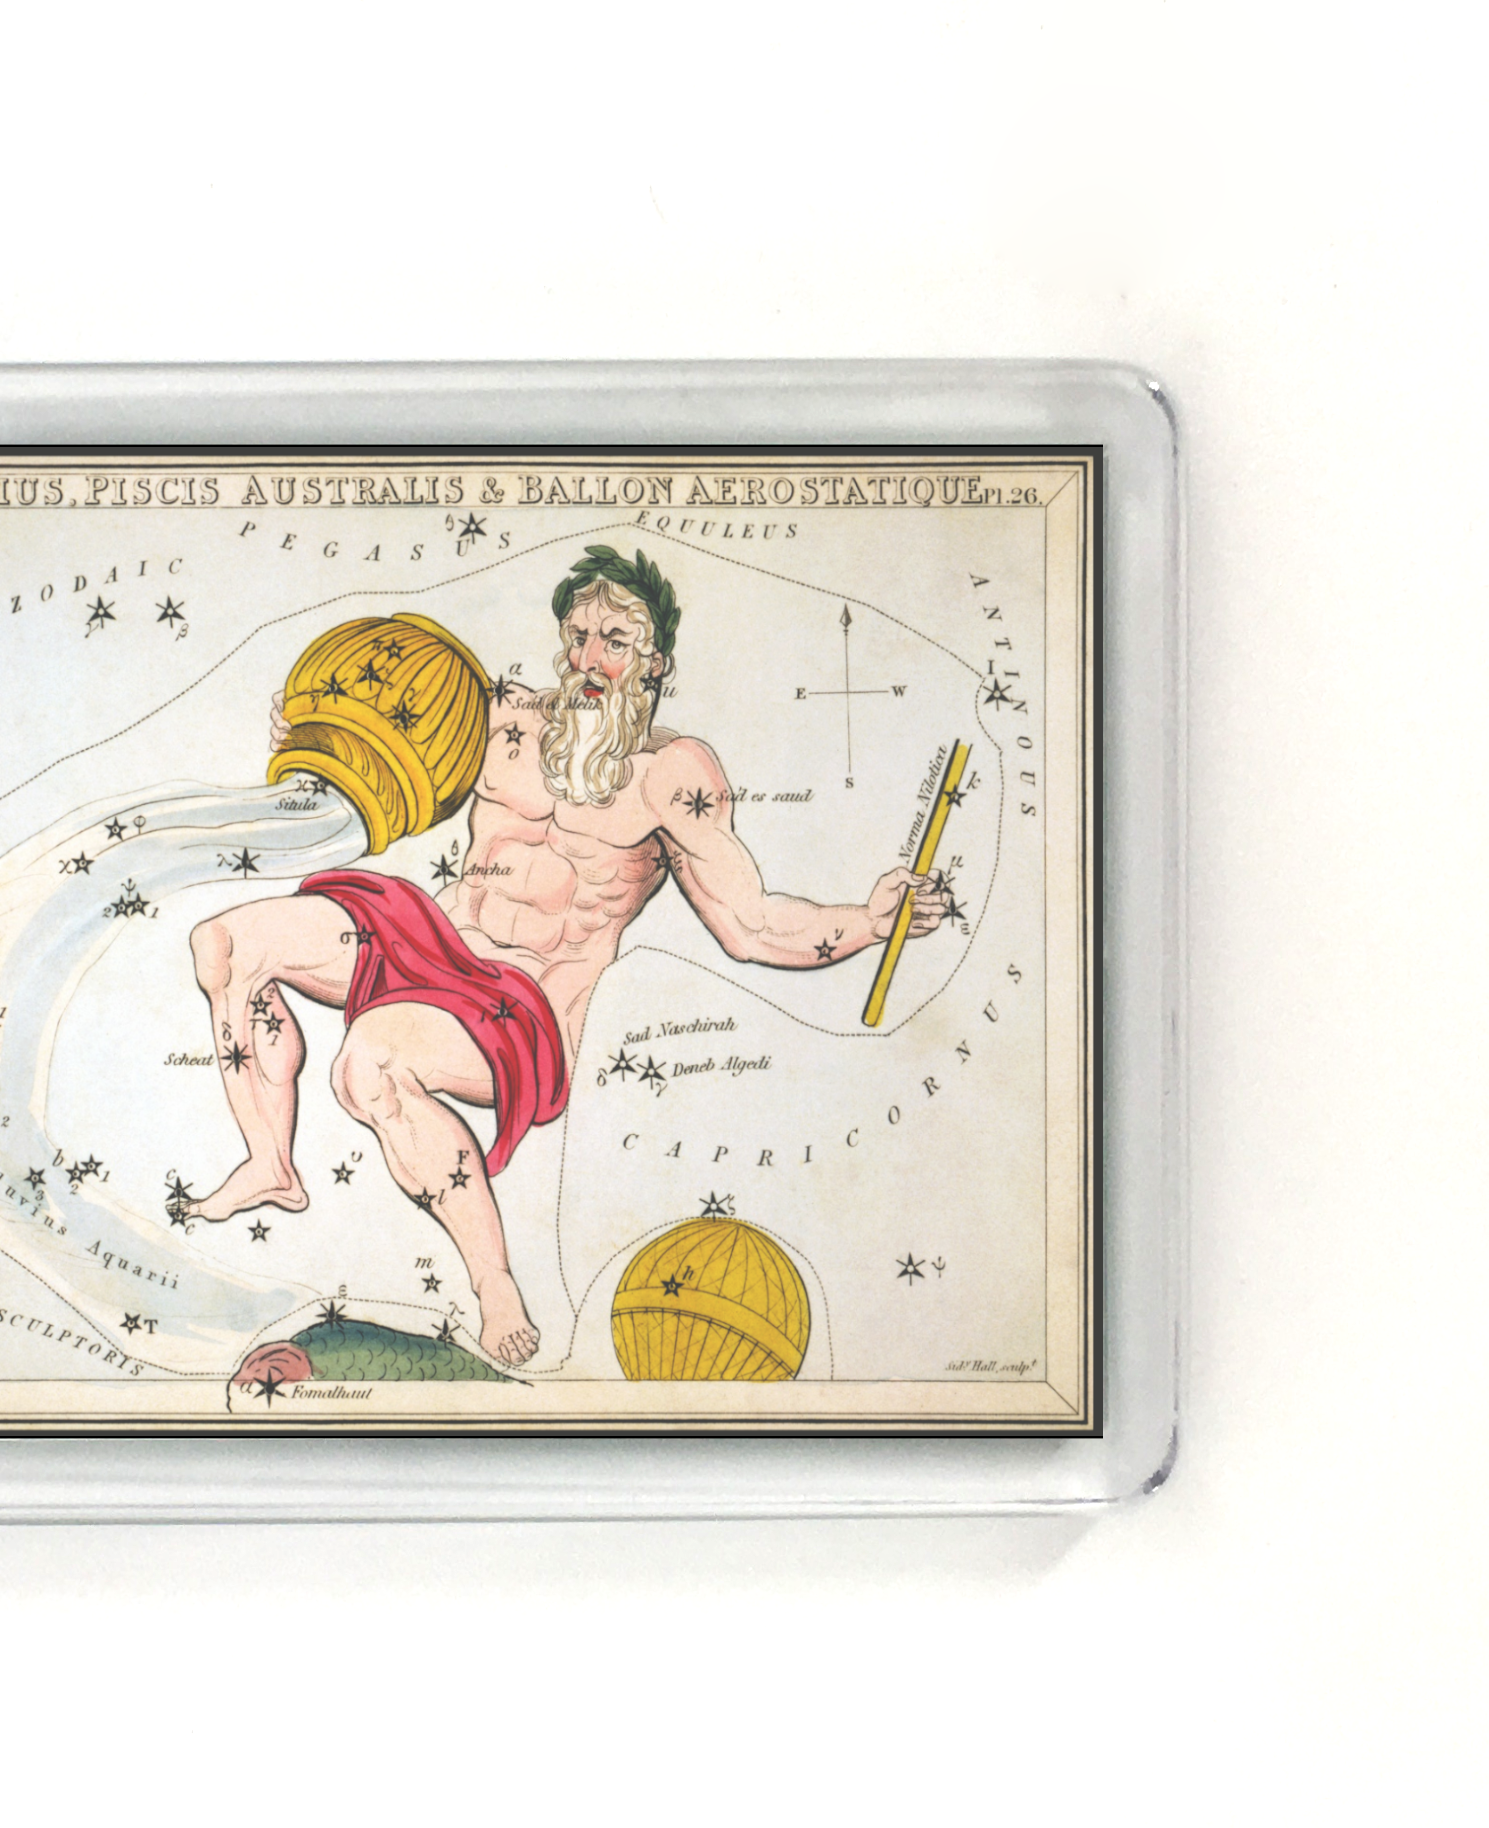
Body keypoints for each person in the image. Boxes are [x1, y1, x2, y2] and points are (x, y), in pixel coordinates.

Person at [183, 545, 947, 1372]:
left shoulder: (670, 777)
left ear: (656, 662)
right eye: (578, 636)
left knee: (369, 1065)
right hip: (430, 939)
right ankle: (270, 1161)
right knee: (225, 944)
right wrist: (316, 732)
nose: (589, 658)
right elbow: (388, 759)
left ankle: (494, 1284)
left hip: (524, 1003)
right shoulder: (499, 719)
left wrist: (869, 922)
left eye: (615, 641)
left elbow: (749, 925)